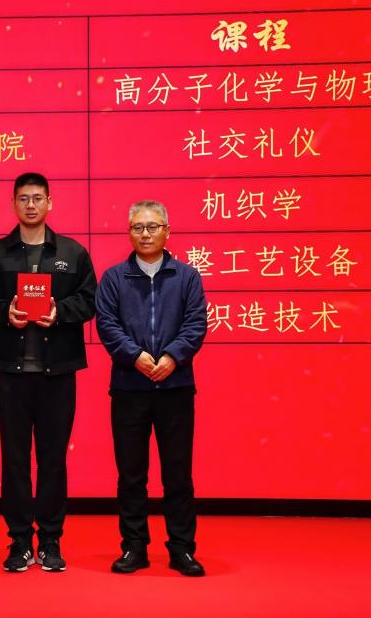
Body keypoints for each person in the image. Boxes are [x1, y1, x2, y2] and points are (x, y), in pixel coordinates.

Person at [0, 172, 97, 573]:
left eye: (38, 198)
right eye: (23, 198)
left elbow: (89, 300)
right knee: (15, 458)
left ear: (50, 203)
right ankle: (20, 540)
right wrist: (4, 312)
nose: (31, 205)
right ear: (14, 204)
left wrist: (61, 312)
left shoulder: (73, 253)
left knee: (53, 458)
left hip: (59, 372)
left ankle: (51, 540)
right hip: (12, 371)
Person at [95, 200, 207, 577]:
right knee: (131, 473)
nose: (145, 234)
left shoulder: (187, 277)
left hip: (176, 386)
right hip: (129, 388)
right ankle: (134, 546)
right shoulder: (114, 278)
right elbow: (107, 324)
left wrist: (173, 356)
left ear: (167, 231)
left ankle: (182, 548)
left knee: (178, 472)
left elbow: (196, 324)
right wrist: (136, 356)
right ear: (129, 233)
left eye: (153, 227)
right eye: (138, 228)